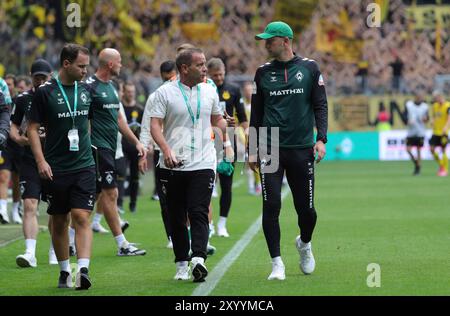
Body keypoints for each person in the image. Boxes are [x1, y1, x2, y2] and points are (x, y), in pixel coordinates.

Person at [249, 21, 328, 280]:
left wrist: (321, 139)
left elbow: (320, 105)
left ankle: (304, 244)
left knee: (306, 210)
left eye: (269, 39)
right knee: (270, 205)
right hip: (269, 145)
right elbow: (257, 113)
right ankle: (277, 264)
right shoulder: (261, 73)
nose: (265, 43)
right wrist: (252, 148)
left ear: (285, 40)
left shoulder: (309, 68)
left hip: (302, 147)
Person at [150, 48, 231, 282]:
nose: (205, 68)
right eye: (200, 65)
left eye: (205, 64)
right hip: (172, 165)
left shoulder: (209, 91)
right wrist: (166, 150)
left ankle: (198, 259)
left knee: (199, 211)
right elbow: (155, 126)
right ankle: (181, 263)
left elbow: (217, 119)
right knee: (176, 216)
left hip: (203, 162)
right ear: (185, 68)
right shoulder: (163, 93)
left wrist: (225, 133)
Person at [28, 43, 95, 290]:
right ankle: (65, 271)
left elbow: (88, 123)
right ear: (66, 64)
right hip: (55, 167)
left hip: (85, 165)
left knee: (81, 216)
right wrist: (41, 161)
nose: (86, 71)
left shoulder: (87, 90)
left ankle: (83, 269)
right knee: (59, 221)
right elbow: (32, 129)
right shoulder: (44, 92)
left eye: (87, 66)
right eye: (81, 66)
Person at [87, 48, 146, 256]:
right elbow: (83, 119)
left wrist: (136, 142)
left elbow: (119, 119)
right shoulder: (89, 87)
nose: (122, 64)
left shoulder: (112, 87)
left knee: (90, 198)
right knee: (110, 193)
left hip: (110, 149)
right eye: (119, 61)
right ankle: (122, 244)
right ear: (110, 64)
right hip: (97, 149)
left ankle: (68, 239)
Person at [10, 59, 58, 267]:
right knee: (29, 204)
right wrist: (21, 139)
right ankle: (30, 253)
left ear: (50, 77)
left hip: (55, 158)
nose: (39, 81)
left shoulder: (57, 97)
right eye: (36, 77)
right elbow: (12, 127)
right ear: (31, 76)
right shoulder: (22, 100)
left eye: (43, 77)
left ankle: (55, 250)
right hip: (30, 160)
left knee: (56, 209)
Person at [207, 57, 248, 238]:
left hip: (227, 141)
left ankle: (222, 223)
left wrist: (249, 140)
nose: (218, 78)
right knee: (204, 185)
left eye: (221, 74)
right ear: (209, 74)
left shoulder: (232, 90)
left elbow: (243, 117)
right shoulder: (204, 90)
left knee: (227, 185)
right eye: (215, 75)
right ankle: (208, 223)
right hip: (206, 140)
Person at [139, 60, 177, 249]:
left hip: (180, 151)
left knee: (183, 196)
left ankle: (187, 233)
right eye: (166, 78)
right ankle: (171, 235)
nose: (169, 81)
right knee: (164, 197)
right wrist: (143, 151)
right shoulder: (156, 96)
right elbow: (147, 124)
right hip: (160, 152)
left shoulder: (185, 93)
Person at [121, 82, 144, 213]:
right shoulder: (120, 108)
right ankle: (119, 204)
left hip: (136, 147)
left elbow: (144, 128)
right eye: (128, 91)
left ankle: (133, 203)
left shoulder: (139, 109)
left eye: (132, 91)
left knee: (135, 176)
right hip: (123, 146)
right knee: (121, 174)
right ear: (123, 92)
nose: (131, 94)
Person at [241, 82, 262, 196]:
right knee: (249, 163)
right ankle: (251, 186)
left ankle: (258, 185)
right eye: (247, 90)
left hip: (256, 136)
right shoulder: (242, 105)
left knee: (256, 161)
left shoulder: (258, 104)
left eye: (250, 90)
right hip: (244, 137)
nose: (248, 92)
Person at [404, 93, 429, 175]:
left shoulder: (425, 106)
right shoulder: (409, 105)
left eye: (421, 97)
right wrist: (407, 121)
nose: (419, 98)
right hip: (411, 132)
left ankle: (418, 168)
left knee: (418, 150)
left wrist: (424, 119)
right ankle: (416, 163)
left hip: (420, 132)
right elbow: (404, 116)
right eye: (418, 97)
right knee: (408, 149)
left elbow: (427, 118)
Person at [0, 77, 13, 224]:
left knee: (3, 174)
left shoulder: (1, 84)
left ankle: (3, 209)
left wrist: (3, 131)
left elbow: (5, 110)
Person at [429, 90, 450, 177]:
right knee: (432, 149)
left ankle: (444, 170)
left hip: (444, 132)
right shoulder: (435, 106)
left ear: (441, 96)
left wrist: (446, 127)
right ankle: (442, 166)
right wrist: (432, 121)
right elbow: (434, 116)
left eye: (436, 98)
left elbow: (449, 118)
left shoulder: (448, 106)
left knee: (443, 150)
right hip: (436, 131)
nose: (436, 100)